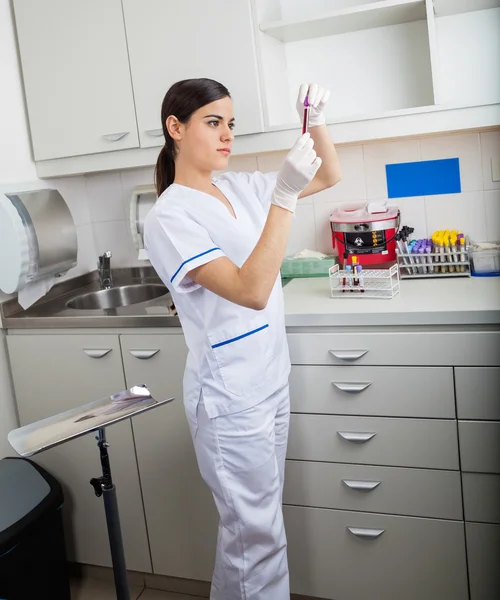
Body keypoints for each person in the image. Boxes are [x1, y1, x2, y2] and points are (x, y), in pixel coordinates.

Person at [144, 78, 341, 600]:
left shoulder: (237, 187)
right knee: (257, 538)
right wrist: (283, 195)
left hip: (271, 381)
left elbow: (330, 173)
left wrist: (314, 119)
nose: (227, 135)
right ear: (176, 129)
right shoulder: (169, 216)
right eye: (213, 122)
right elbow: (251, 290)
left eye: (231, 124)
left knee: (250, 531)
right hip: (231, 399)